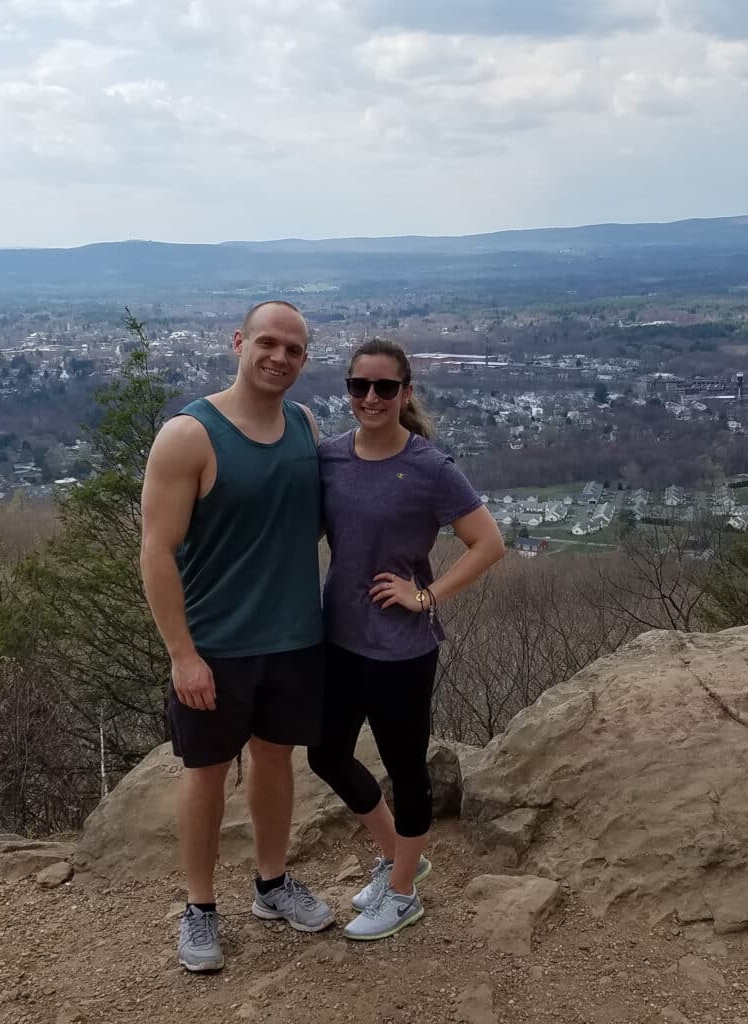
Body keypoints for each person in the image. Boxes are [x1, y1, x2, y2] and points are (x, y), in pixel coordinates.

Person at [140, 300, 334, 974]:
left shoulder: (306, 426)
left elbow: (299, 524)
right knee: (206, 773)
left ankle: (272, 885)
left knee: (277, 761)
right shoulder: (190, 435)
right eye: (269, 343)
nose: (281, 357)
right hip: (215, 645)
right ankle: (199, 908)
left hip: (291, 637)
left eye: (295, 350)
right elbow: (156, 552)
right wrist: (182, 654)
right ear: (239, 343)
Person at [308, 338, 504, 941]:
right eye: (359, 387)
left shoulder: (429, 467)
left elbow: (489, 543)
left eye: (384, 388)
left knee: (406, 769)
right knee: (326, 755)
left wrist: (425, 595)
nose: (370, 398)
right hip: (339, 638)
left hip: (401, 650)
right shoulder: (330, 458)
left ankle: (402, 894)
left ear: (405, 392)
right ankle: (401, 856)